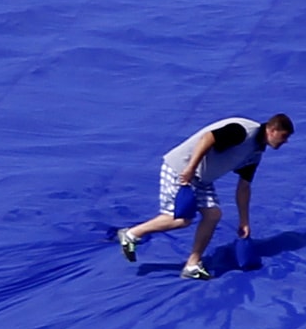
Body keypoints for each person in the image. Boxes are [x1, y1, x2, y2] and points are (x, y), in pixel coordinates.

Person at [119, 112, 292, 278]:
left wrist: (244, 221)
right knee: (180, 219)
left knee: (213, 214)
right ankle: (131, 234)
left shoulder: (256, 152)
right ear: (272, 130)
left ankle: (192, 265)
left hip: (202, 178)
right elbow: (207, 138)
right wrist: (190, 169)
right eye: (284, 136)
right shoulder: (242, 131)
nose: (285, 142)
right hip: (181, 169)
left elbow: (243, 187)